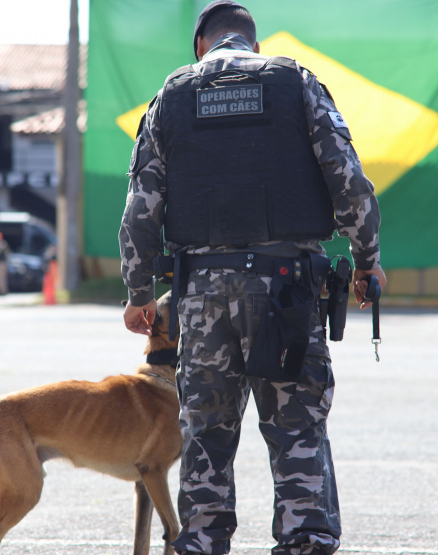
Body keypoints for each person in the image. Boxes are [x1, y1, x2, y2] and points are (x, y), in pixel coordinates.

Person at [119, 2, 387, 555]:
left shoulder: (172, 94)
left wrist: (138, 294)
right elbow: (349, 180)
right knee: (296, 426)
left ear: (201, 46)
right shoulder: (294, 81)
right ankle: (306, 539)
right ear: (253, 44)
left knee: (206, 433)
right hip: (286, 290)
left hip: (200, 294)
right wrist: (366, 261)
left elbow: (141, 206)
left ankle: (201, 542)